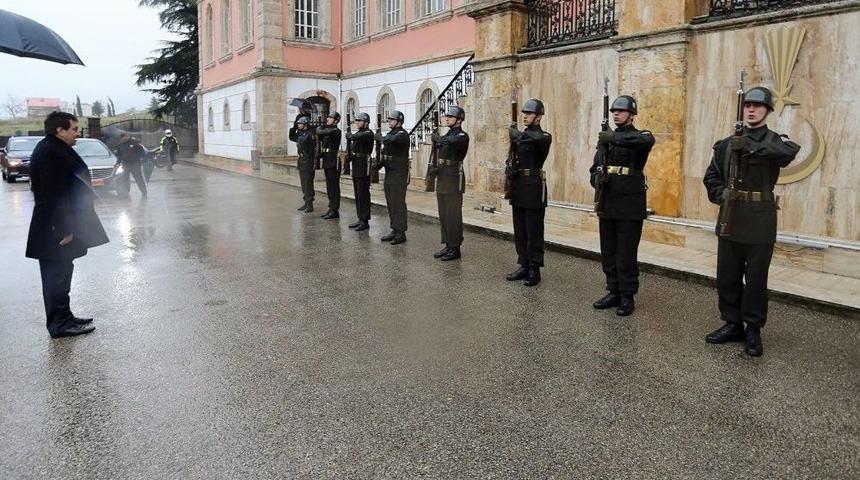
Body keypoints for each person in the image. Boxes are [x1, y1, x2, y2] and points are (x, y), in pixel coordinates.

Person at [703, 86, 800, 357]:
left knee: (756, 279)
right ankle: (732, 324)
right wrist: (722, 194)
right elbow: (711, 178)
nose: (751, 110)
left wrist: (749, 145)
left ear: (768, 111)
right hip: (731, 217)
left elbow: (787, 152)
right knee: (727, 277)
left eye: (758, 106)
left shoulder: (774, 140)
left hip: (760, 220)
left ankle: (753, 329)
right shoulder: (725, 144)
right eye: (747, 106)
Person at [26, 111, 109, 338]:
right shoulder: (50, 153)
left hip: (60, 224)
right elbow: (53, 195)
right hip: (55, 228)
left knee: (62, 273)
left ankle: (64, 316)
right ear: (59, 130)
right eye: (73, 129)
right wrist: (64, 228)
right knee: (56, 276)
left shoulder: (55, 148)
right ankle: (59, 324)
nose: (77, 134)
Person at [589, 96, 655, 316]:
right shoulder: (605, 139)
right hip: (608, 199)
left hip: (629, 203)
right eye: (614, 110)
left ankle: (627, 296)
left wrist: (614, 139)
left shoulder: (641, 136)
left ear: (632, 114)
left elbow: (643, 141)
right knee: (608, 250)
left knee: (626, 252)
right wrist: (596, 179)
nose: (616, 113)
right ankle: (613, 290)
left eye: (621, 110)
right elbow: (595, 166)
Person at [505, 99, 552, 287]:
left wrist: (517, 136)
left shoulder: (543, 136)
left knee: (534, 231)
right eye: (523, 113)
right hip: (519, 185)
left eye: (529, 113)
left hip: (534, 185)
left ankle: (534, 268)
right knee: (520, 230)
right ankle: (523, 264)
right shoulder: (521, 136)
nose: (525, 116)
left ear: (539, 117)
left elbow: (536, 139)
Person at [431, 106, 470, 261]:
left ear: (459, 119)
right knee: (444, 213)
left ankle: (455, 248)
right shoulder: (447, 133)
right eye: (447, 116)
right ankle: (447, 244)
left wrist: (438, 139)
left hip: (454, 177)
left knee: (453, 214)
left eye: (450, 117)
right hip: (442, 176)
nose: (447, 119)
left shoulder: (462, 136)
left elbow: (450, 141)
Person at [376, 110, 411, 245]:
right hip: (390, 172)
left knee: (398, 203)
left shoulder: (402, 134)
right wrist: (379, 164)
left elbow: (389, 140)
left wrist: (380, 138)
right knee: (391, 202)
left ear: (399, 121)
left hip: (399, 173)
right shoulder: (391, 133)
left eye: (391, 119)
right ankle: (394, 229)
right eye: (388, 119)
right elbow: (387, 151)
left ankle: (401, 232)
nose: (389, 121)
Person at [346, 112, 375, 231]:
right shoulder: (358, 133)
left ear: (366, 122)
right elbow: (355, 146)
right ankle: (360, 218)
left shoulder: (368, 133)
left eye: (359, 121)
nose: (357, 122)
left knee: (363, 194)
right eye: (356, 121)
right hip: (357, 165)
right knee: (357, 194)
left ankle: (365, 220)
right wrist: (350, 156)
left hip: (364, 165)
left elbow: (354, 137)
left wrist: (349, 135)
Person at [316, 112, 343, 220]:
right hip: (327, 160)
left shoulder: (335, 131)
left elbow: (320, 132)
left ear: (336, 120)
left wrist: (320, 127)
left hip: (333, 161)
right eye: (328, 117)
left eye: (330, 118)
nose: (327, 119)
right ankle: (331, 207)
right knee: (329, 186)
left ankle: (335, 209)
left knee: (334, 186)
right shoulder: (328, 131)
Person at [289, 116, 316, 212]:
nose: (298, 125)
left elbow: (311, 148)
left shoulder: (310, 134)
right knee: (303, 183)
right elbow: (291, 137)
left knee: (308, 183)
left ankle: (310, 204)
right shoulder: (300, 133)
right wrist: (293, 128)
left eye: (300, 124)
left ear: (305, 124)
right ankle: (306, 202)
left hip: (308, 160)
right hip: (301, 159)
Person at [116, 133, 148, 197]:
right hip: (125, 165)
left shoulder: (135, 143)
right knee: (124, 179)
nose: (123, 138)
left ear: (128, 136)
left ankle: (144, 192)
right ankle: (124, 194)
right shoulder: (120, 145)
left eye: (125, 137)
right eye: (122, 138)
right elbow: (119, 155)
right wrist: (118, 162)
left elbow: (142, 153)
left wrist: (142, 161)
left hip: (135, 164)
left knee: (139, 179)